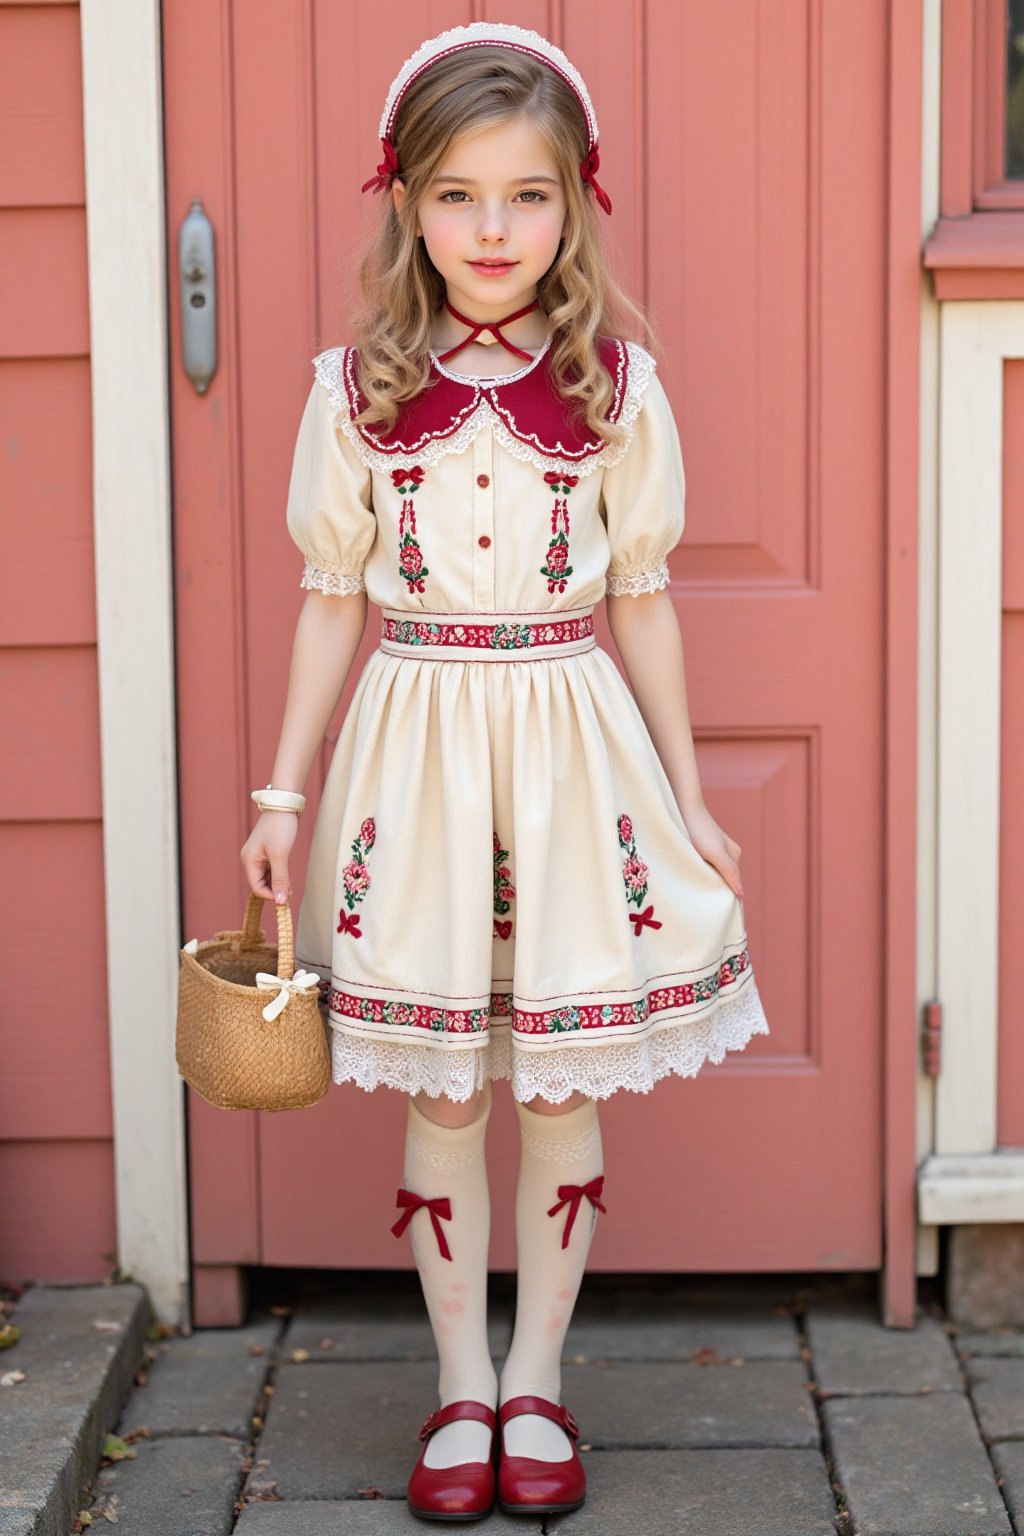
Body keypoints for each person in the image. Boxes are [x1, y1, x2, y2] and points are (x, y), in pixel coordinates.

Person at [241, 21, 770, 1523]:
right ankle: (458, 1381)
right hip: (414, 755)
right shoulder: (356, 390)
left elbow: (645, 600)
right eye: (459, 195)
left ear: (576, 205)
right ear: (406, 202)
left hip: (565, 753)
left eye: (528, 197)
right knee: (448, 1090)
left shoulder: (616, 389)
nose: (492, 230)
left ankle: (539, 1375)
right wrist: (283, 800)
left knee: (550, 1076)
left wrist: (688, 796)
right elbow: (332, 598)